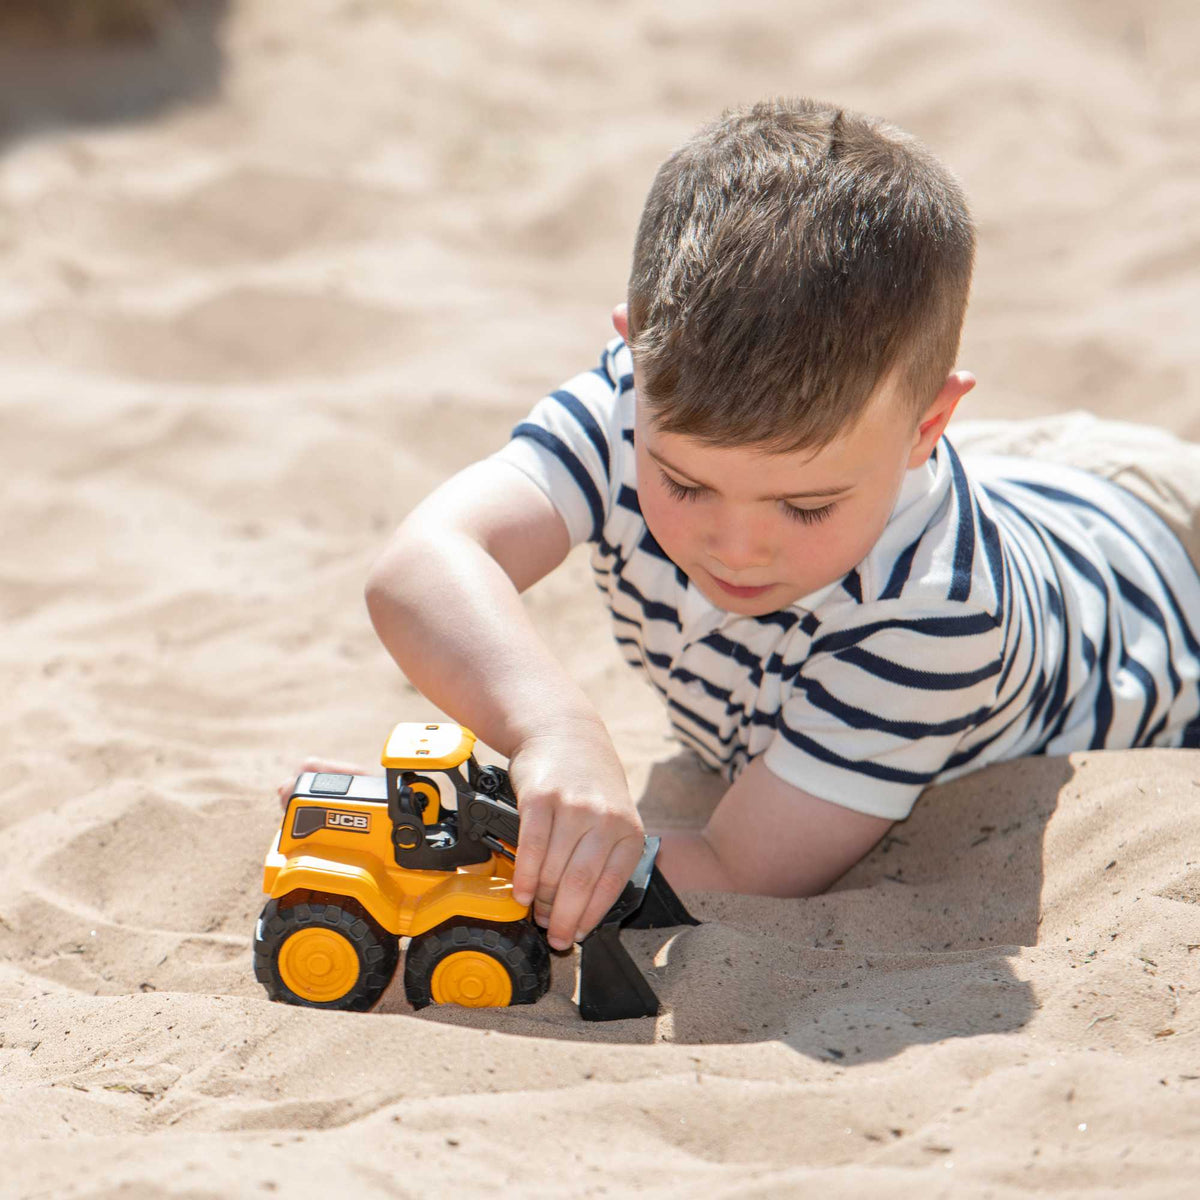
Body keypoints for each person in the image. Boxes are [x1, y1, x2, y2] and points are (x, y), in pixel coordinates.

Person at [292, 98, 1200, 957]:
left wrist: (478, 847)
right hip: (1017, 474)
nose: (735, 548)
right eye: (684, 484)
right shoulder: (640, 401)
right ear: (632, 350)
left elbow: (744, 867)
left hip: (1155, 570)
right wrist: (552, 731)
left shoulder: (937, 612)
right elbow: (426, 561)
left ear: (928, 425)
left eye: (803, 509)